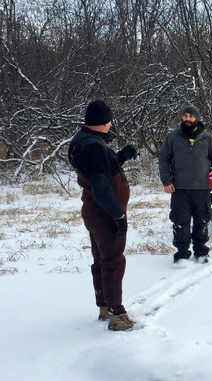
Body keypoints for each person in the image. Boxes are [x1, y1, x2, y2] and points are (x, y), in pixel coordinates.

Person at [68, 100, 138, 331]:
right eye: (108, 121)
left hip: (95, 210)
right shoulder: (93, 147)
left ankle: (104, 307)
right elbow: (99, 185)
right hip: (104, 213)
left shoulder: (83, 141)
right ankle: (117, 315)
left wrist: (120, 157)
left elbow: (97, 168)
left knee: (101, 260)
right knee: (113, 262)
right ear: (102, 122)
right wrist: (118, 216)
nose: (110, 125)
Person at [158, 105, 212, 263]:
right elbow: (163, 159)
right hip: (179, 188)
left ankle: (201, 251)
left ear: (197, 118)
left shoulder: (207, 138)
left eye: (191, 116)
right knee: (180, 222)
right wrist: (166, 181)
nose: (187, 119)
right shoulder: (173, 137)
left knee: (202, 220)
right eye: (185, 116)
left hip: (202, 188)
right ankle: (182, 254)